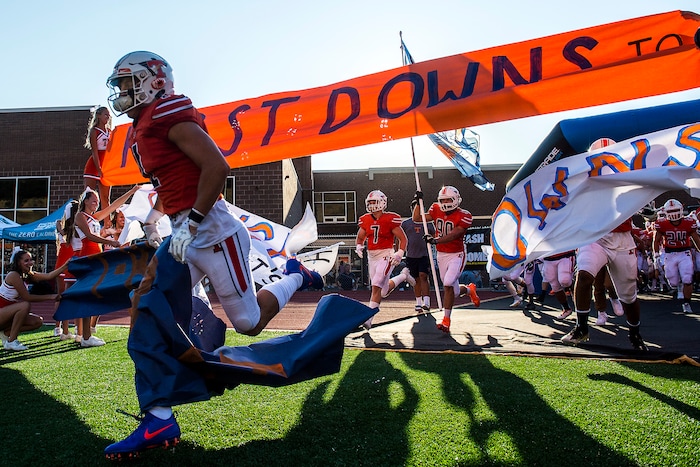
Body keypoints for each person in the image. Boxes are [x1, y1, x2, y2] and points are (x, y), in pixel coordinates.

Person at [102, 51, 324, 459]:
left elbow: (216, 167)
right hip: (182, 233)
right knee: (145, 308)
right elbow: (169, 180)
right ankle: (159, 418)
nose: (121, 92)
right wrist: (158, 219)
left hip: (214, 231)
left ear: (152, 81)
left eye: (127, 83)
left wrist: (191, 221)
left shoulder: (169, 112)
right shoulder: (142, 124)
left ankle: (295, 273)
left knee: (248, 323)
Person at [562, 218, 646, 350]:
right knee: (584, 275)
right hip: (593, 235)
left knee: (628, 297)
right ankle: (581, 327)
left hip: (622, 239)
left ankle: (634, 333)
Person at [72, 186, 139, 347]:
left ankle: (84, 334)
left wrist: (132, 191)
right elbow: (89, 236)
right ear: (85, 201)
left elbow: (113, 206)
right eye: (93, 200)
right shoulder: (80, 216)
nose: (96, 203)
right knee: (88, 295)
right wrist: (111, 242)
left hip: (97, 257)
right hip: (87, 256)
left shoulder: (94, 216)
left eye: (97, 200)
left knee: (92, 295)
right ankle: (84, 336)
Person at [413, 186, 480, 333]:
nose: (445, 202)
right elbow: (417, 218)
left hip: (457, 254)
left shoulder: (464, 215)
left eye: (448, 199)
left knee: (448, 283)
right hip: (442, 254)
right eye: (443, 200)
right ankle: (469, 290)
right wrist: (418, 203)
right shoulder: (436, 208)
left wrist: (435, 240)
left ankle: (446, 320)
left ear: (456, 199)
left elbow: (455, 234)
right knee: (453, 290)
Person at [356, 190, 415, 330]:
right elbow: (361, 236)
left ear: (382, 202)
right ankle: (403, 276)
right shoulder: (365, 219)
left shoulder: (390, 218)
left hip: (386, 255)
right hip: (372, 256)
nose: (371, 205)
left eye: (374, 202)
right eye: (369, 202)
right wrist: (359, 245)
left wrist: (399, 253)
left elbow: (403, 239)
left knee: (376, 284)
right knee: (383, 291)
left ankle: (368, 319)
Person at [0, 249, 67, 351]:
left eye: (31, 260)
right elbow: (27, 297)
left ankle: (6, 333)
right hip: (2, 312)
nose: (30, 263)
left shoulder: (27, 275)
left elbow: (49, 276)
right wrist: (51, 296)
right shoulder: (13, 275)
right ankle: (11, 341)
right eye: (26, 261)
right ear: (18, 263)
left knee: (37, 321)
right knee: (24, 305)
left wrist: (66, 265)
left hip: (6, 314)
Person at [652, 198, 700, 313]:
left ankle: (687, 303)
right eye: (670, 211)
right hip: (669, 254)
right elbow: (656, 240)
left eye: (676, 210)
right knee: (672, 281)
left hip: (684, 253)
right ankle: (677, 285)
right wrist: (656, 255)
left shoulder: (689, 223)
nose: (673, 214)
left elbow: (696, 239)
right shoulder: (661, 224)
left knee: (688, 278)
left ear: (681, 210)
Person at [401, 200, 435, 313]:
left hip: (423, 255)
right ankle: (418, 303)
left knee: (423, 276)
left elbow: (434, 235)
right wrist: (398, 251)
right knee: (415, 280)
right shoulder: (406, 224)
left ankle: (427, 302)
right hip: (411, 256)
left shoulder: (427, 223)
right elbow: (399, 237)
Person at [54, 199, 79, 340]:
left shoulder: (62, 228)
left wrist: (59, 227)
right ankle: (71, 327)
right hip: (70, 265)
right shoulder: (76, 228)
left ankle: (60, 328)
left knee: (61, 296)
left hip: (61, 265)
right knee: (71, 297)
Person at [83, 106, 113, 215]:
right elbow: (94, 152)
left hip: (106, 166)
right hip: (93, 166)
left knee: (105, 198)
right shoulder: (94, 131)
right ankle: (85, 220)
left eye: (108, 115)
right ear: (99, 116)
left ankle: (107, 224)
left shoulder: (110, 132)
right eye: (105, 114)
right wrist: (98, 168)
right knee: (88, 196)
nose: (107, 117)